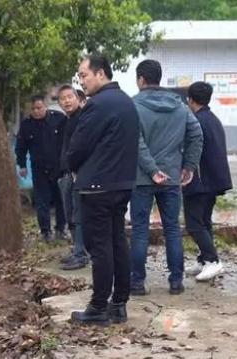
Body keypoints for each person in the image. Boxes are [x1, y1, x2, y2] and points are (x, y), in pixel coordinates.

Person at [68, 54, 139, 326]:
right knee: (117, 242)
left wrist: (71, 165)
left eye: (84, 75)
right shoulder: (126, 101)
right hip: (121, 184)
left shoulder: (98, 105)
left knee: (100, 248)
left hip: (97, 186)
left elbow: (79, 147)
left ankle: (98, 307)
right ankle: (119, 304)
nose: (81, 81)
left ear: (100, 74)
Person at [129, 60, 203, 296]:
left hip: (142, 179)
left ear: (141, 79)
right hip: (171, 176)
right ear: (159, 79)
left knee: (140, 230)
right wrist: (189, 166)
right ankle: (176, 281)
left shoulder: (133, 106)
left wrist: (151, 170)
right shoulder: (180, 106)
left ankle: (138, 283)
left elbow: (135, 142)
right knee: (172, 229)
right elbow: (196, 133)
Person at [184, 81, 233, 281]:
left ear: (190, 99)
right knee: (204, 222)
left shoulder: (196, 121)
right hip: (213, 181)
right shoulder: (212, 118)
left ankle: (213, 261)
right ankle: (205, 259)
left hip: (200, 182)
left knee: (194, 224)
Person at [16, 95, 67, 241]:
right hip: (39, 168)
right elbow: (21, 147)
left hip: (58, 167)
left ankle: (61, 229)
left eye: (39, 108)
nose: (36, 111)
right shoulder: (26, 125)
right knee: (42, 201)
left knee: (60, 199)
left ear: (45, 106)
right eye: (33, 109)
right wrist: (22, 165)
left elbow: (67, 141)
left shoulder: (58, 119)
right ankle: (45, 232)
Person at [56, 85, 89, 270]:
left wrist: (77, 171)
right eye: (63, 98)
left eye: (70, 97)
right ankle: (77, 249)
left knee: (78, 215)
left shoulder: (83, 119)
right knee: (70, 214)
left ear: (78, 98)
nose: (67, 101)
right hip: (66, 174)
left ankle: (81, 254)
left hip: (78, 175)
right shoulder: (67, 120)